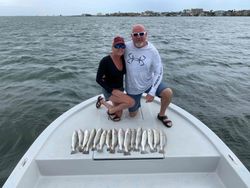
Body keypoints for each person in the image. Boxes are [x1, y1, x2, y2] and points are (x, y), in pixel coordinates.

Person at [124, 24, 173, 127]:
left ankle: (162, 114)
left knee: (168, 93)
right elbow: (114, 54)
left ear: (146, 34)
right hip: (132, 87)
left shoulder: (152, 51)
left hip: (148, 83)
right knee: (132, 115)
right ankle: (136, 102)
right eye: (135, 34)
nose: (139, 36)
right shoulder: (126, 47)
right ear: (131, 36)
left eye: (141, 34)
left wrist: (152, 90)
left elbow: (158, 71)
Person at [96, 36, 134, 122]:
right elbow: (98, 79)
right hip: (109, 91)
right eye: (117, 46)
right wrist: (111, 90)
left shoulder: (124, 59)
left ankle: (101, 101)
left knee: (119, 114)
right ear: (112, 47)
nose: (120, 48)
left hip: (120, 89)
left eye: (122, 46)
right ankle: (109, 108)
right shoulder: (105, 61)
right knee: (130, 103)